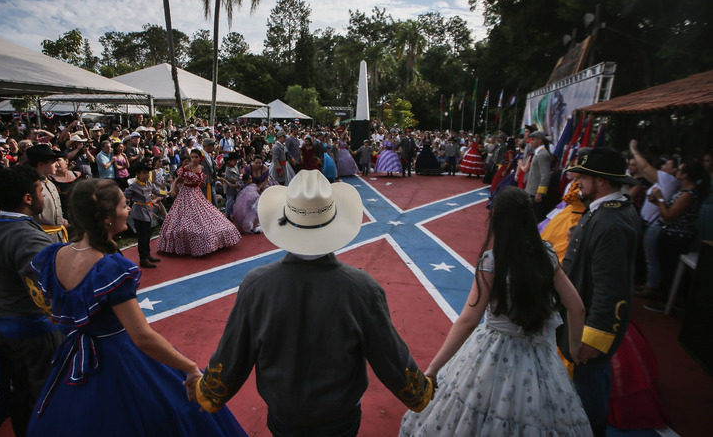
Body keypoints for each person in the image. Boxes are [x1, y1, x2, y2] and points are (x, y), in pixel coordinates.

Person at [195, 170, 433, 436]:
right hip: (340, 418)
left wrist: (207, 392)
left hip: (284, 418)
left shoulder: (256, 286)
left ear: (284, 220)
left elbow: (232, 355)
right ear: (335, 221)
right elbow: (390, 356)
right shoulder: (362, 289)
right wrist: (419, 392)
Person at [23, 179, 246, 437]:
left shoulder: (54, 255)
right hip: (120, 360)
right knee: (175, 412)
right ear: (107, 218)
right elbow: (142, 336)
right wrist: (190, 367)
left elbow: (49, 307)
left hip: (74, 358)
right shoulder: (109, 268)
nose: (128, 209)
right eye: (123, 205)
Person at [400, 186, 591, 436]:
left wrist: (433, 369)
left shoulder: (492, 261)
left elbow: (468, 321)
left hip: (492, 352)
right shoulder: (546, 256)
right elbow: (577, 307)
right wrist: (574, 349)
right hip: (540, 356)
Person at [0, 165, 62, 435]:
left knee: (20, 390)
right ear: (28, 198)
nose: (44, 195)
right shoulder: (28, 237)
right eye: (41, 190)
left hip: (1, 326)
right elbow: (48, 290)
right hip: (34, 329)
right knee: (49, 391)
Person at [559, 147, 642, 437]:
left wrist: (592, 340)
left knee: (589, 392)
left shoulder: (610, 224)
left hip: (590, 331)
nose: (577, 180)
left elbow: (611, 290)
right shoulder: (608, 212)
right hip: (582, 320)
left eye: (584, 175)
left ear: (602, 181)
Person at [646, 159, 708, 311]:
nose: (676, 172)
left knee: (669, 270)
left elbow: (669, 216)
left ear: (686, 175)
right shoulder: (682, 191)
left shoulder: (688, 194)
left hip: (675, 238)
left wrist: (660, 198)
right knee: (665, 267)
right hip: (669, 235)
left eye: (679, 170)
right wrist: (658, 202)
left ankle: (667, 302)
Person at [157, 149, 240, 256]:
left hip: (197, 192)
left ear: (200, 158)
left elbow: (202, 183)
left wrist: (201, 184)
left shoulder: (201, 167)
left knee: (204, 213)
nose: (194, 159)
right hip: (186, 193)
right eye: (192, 157)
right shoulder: (186, 168)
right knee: (186, 215)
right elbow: (177, 179)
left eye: (196, 157)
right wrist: (173, 189)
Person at [629, 140, 680, 301]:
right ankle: (649, 283)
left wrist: (634, 150)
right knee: (648, 257)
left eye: (668, 165)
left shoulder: (669, 180)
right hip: (648, 222)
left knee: (652, 258)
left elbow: (644, 169)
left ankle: (652, 286)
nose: (663, 167)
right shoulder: (664, 181)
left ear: (673, 170)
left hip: (655, 225)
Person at [124, 163, 165, 269]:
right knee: (143, 236)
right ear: (138, 174)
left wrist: (167, 192)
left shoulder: (148, 183)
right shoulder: (134, 186)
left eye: (148, 173)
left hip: (147, 211)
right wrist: (124, 204)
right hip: (139, 213)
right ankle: (143, 259)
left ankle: (148, 254)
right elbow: (125, 195)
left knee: (148, 234)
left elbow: (156, 191)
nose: (147, 175)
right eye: (144, 173)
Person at [26, 145, 68, 243]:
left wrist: (60, 220)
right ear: (41, 164)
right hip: (41, 238)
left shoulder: (50, 183)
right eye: (53, 162)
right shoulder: (31, 186)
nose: (57, 165)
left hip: (57, 237)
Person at [49, 156, 85, 221]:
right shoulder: (50, 181)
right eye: (53, 161)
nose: (56, 164)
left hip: (81, 215)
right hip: (64, 219)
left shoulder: (79, 175)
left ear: (66, 161)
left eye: (58, 160)